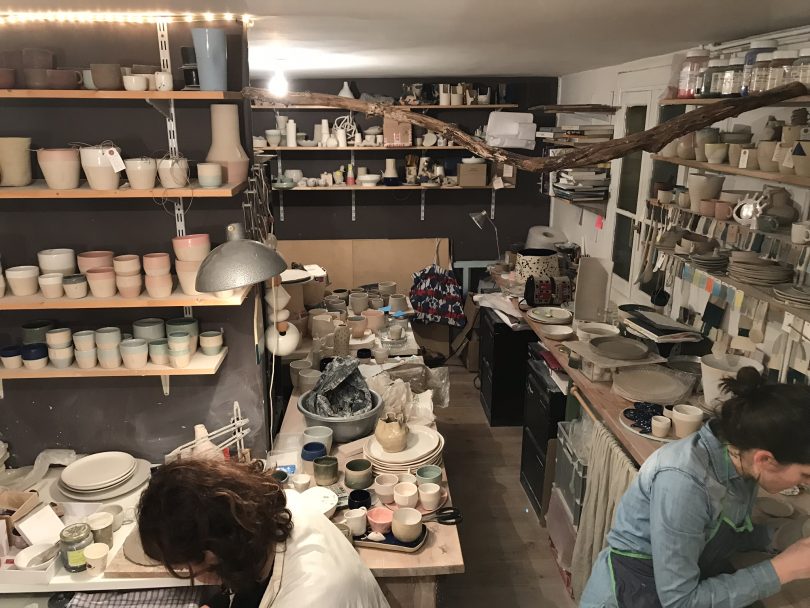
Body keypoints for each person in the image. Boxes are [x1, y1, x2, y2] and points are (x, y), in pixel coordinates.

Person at [580, 367, 810, 607]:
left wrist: (781, 536)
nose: (807, 483)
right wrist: (784, 569)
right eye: (805, 474)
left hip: (681, 577)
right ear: (765, 460)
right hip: (634, 591)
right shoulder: (685, 482)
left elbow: (717, 534)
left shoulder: (741, 455)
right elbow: (681, 601)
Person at [138, 458, 390, 608]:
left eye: (189, 568)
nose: (193, 576)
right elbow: (252, 586)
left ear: (213, 553)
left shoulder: (309, 597)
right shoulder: (271, 510)